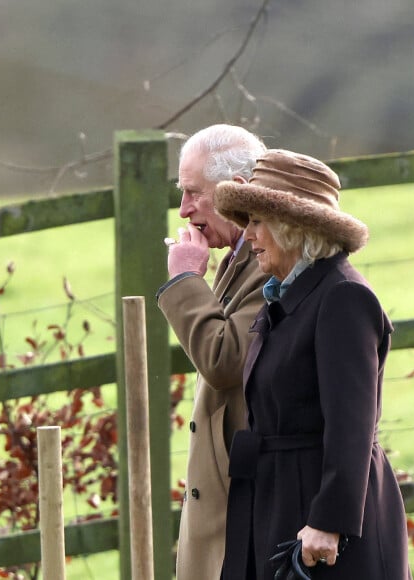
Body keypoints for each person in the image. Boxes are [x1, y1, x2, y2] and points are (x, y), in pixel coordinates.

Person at [214, 149, 412, 579]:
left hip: (324, 521)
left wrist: (329, 521)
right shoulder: (287, 295)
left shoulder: (342, 297)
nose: (247, 235)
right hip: (281, 496)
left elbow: (352, 423)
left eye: (256, 221)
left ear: (294, 226)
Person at [156, 124, 269, 579]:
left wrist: (185, 282)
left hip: (245, 502)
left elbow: (225, 362)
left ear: (236, 191)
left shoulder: (269, 262)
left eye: (192, 193)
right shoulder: (239, 255)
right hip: (229, 494)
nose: (183, 210)